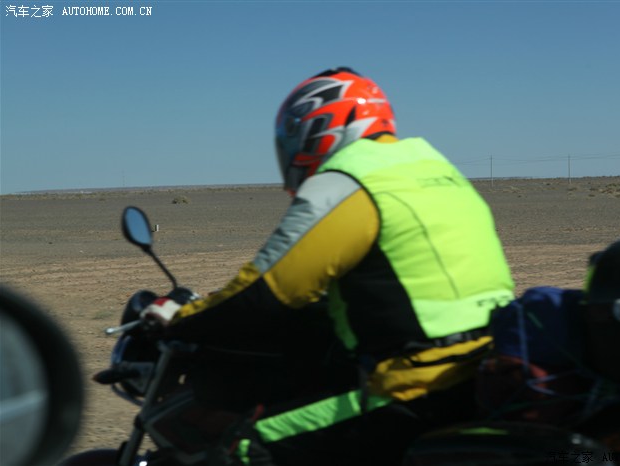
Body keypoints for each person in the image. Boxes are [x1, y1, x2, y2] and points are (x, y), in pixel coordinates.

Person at [143, 67, 515, 465]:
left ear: (316, 129)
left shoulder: (351, 181)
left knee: (240, 446)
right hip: (480, 371)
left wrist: (179, 318)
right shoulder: (434, 169)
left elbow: (266, 292)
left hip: (415, 386)